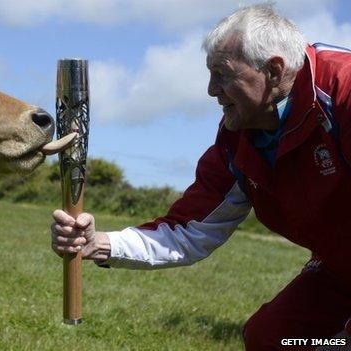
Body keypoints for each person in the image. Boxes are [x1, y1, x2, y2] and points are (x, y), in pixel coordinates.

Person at [50, 4, 351, 350]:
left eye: (222, 74)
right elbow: (190, 230)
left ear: (273, 69)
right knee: (275, 337)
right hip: (339, 265)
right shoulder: (238, 139)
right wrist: (98, 243)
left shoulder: (344, 91)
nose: (210, 90)